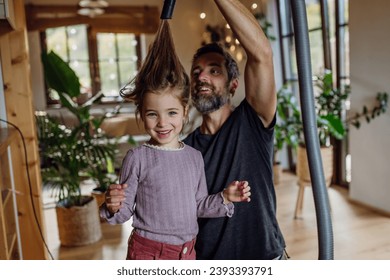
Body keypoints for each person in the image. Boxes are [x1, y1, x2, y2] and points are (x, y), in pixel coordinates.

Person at [99, 19, 251, 260]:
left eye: (171, 113)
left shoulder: (193, 156)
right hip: (147, 253)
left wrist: (224, 197)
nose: (162, 123)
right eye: (152, 114)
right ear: (141, 114)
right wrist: (113, 204)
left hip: (188, 252)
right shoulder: (137, 158)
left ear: (184, 110)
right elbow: (123, 213)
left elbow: (199, 205)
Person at [182, 0, 286, 260]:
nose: (201, 77)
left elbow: (262, 54)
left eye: (214, 71)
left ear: (233, 85)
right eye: (197, 72)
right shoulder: (184, 149)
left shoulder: (253, 121)